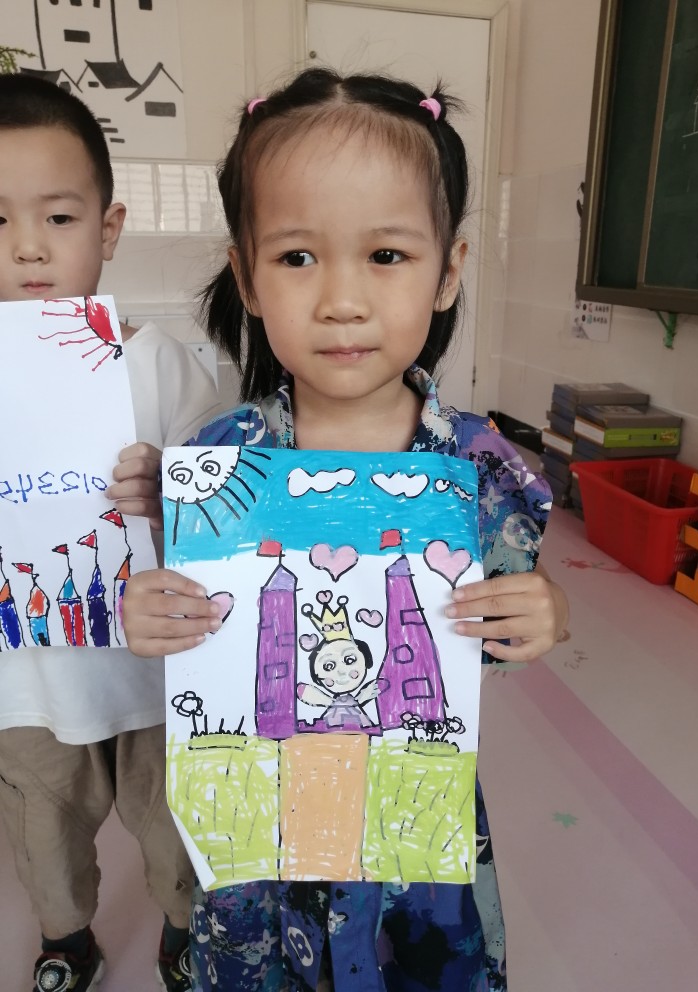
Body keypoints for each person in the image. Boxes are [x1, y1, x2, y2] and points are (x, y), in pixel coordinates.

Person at [121, 67, 569, 992]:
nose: (341, 299)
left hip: (410, 839)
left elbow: (488, 637)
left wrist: (539, 614)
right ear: (246, 276)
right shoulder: (218, 463)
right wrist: (152, 612)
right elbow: (194, 623)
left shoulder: (483, 468)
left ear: (449, 271)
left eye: (387, 255)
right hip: (259, 843)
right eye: (297, 258)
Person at [0, 73, 224, 992]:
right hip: (26, 675)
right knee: (41, 828)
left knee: (177, 823)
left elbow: (225, 518)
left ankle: (184, 930)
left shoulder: (162, 366)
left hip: (155, 672)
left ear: (108, 227)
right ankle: (69, 941)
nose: (26, 246)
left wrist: (169, 495)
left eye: (58, 217)